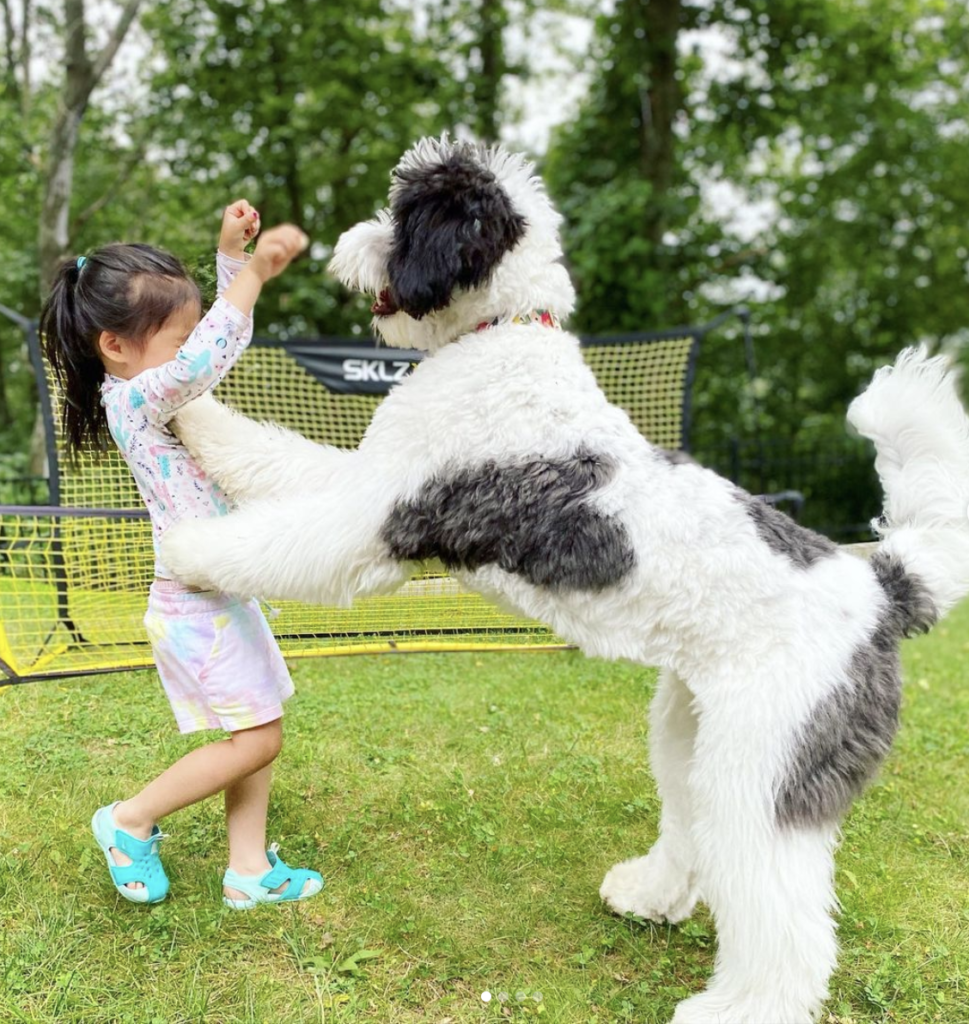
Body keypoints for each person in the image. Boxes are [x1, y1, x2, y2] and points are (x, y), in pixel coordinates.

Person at [39, 201, 323, 909]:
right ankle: (128, 820)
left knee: (255, 727)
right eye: (178, 335)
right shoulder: (133, 399)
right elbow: (204, 360)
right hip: (193, 604)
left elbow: (198, 358)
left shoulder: (151, 390)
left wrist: (230, 258)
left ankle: (249, 870)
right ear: (116, 345)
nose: (192, 348)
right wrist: (253, 272)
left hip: (221, 590)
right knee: (256, 740)